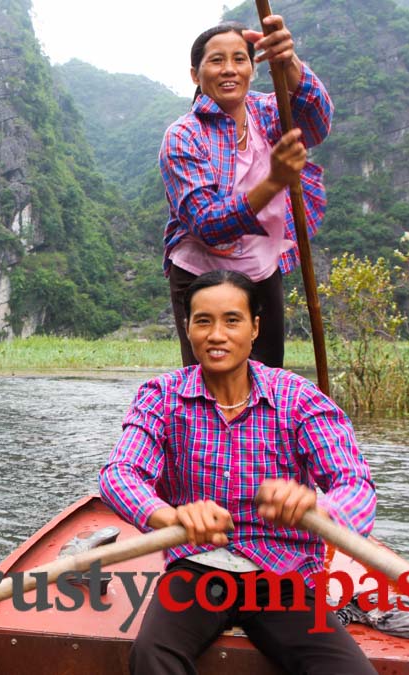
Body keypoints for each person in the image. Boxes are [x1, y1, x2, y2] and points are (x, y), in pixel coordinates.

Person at [99, 269, 376, 675]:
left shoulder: (298, 398)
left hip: (284, 574)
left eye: (232, 320)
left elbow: (357, 487)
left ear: (254, 328)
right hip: (197, 569)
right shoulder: (161, 396)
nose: (217, 335)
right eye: (203, 321)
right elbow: (119, 473)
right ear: (187, 328)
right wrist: (171, 517)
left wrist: (317, 506)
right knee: (152, 656)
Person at [160, 16, 332, 368]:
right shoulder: (182, 136)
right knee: (211, 383)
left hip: (261, 271)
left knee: (265, 379)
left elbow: (317, 123)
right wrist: (274, 180)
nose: (229, 70)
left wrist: (289, 62)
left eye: (240, 59)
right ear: (196, 74)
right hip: (201, 276)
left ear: (254, 67)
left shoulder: (266, 111)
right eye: (216, 60)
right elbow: (208, 223)